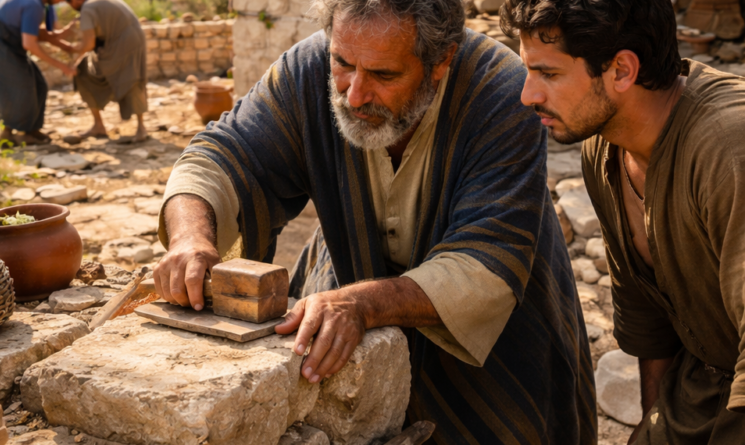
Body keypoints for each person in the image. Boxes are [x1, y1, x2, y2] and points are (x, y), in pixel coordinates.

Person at [155, 0, 597, 443]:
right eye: (343, 65)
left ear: (441, 61)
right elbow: (222, 155)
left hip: (493, 328)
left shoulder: (502, 91)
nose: (354, 95)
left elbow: (487, 260)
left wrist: (363, 305)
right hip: (346, 277)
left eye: (384, 75)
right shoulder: (308, 68)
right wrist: (190, 237)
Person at [500, 0, 745, 443]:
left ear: (622, 71)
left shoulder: (727, 150)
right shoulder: (605, 148)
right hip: (705, 386)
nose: (528, 95)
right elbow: (648, 321)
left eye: (548, 74)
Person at [0, 0, 77, 145]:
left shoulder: (35, 4)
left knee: (39, 84)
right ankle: (10, 133)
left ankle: (31, 130)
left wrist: (64, 42)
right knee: (21, 87)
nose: (62, 1)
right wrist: (62, 66)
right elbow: (29, 43)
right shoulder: (33, 5)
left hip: (7, 42)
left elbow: (33, 32)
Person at [66, 0, 148, 142]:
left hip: (122, 45)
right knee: (131, 78)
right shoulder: (96, 4)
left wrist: (69, 49)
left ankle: (140, 128)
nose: (71, 6)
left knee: (131, 80)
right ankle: (100, 126)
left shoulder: (87, 8)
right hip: (131, 41)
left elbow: (88, 44)